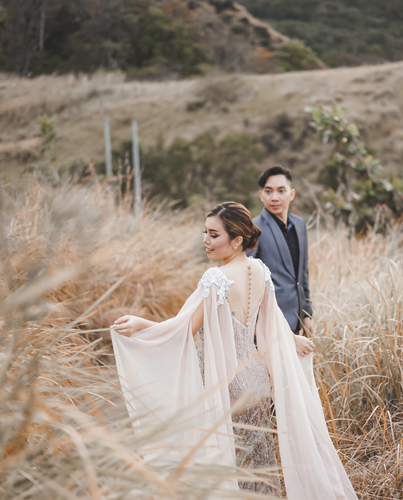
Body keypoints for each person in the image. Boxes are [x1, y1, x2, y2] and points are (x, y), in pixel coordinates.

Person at [111, 202, 358, 500]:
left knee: (226, 470)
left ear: (237, 239)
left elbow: (184, 330)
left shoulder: (216, 279)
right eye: (205, 232)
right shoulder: (260, 270)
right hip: (257, 382)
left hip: (226, 385)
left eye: (214, 235)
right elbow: (273, 323)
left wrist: (141, 324)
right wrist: (293, 339)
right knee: (257, 469)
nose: (205, 240)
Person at [248, 166, 313, 335]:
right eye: (268, 191)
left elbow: (302, 274)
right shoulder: (253, 228)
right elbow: (248, 281)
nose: (274, 197)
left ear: (292, 194)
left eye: (281, 191)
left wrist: (306, 314)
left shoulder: (300, 224)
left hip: (296, 321)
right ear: (261, 195)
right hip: (269, 325)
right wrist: (258, 327)